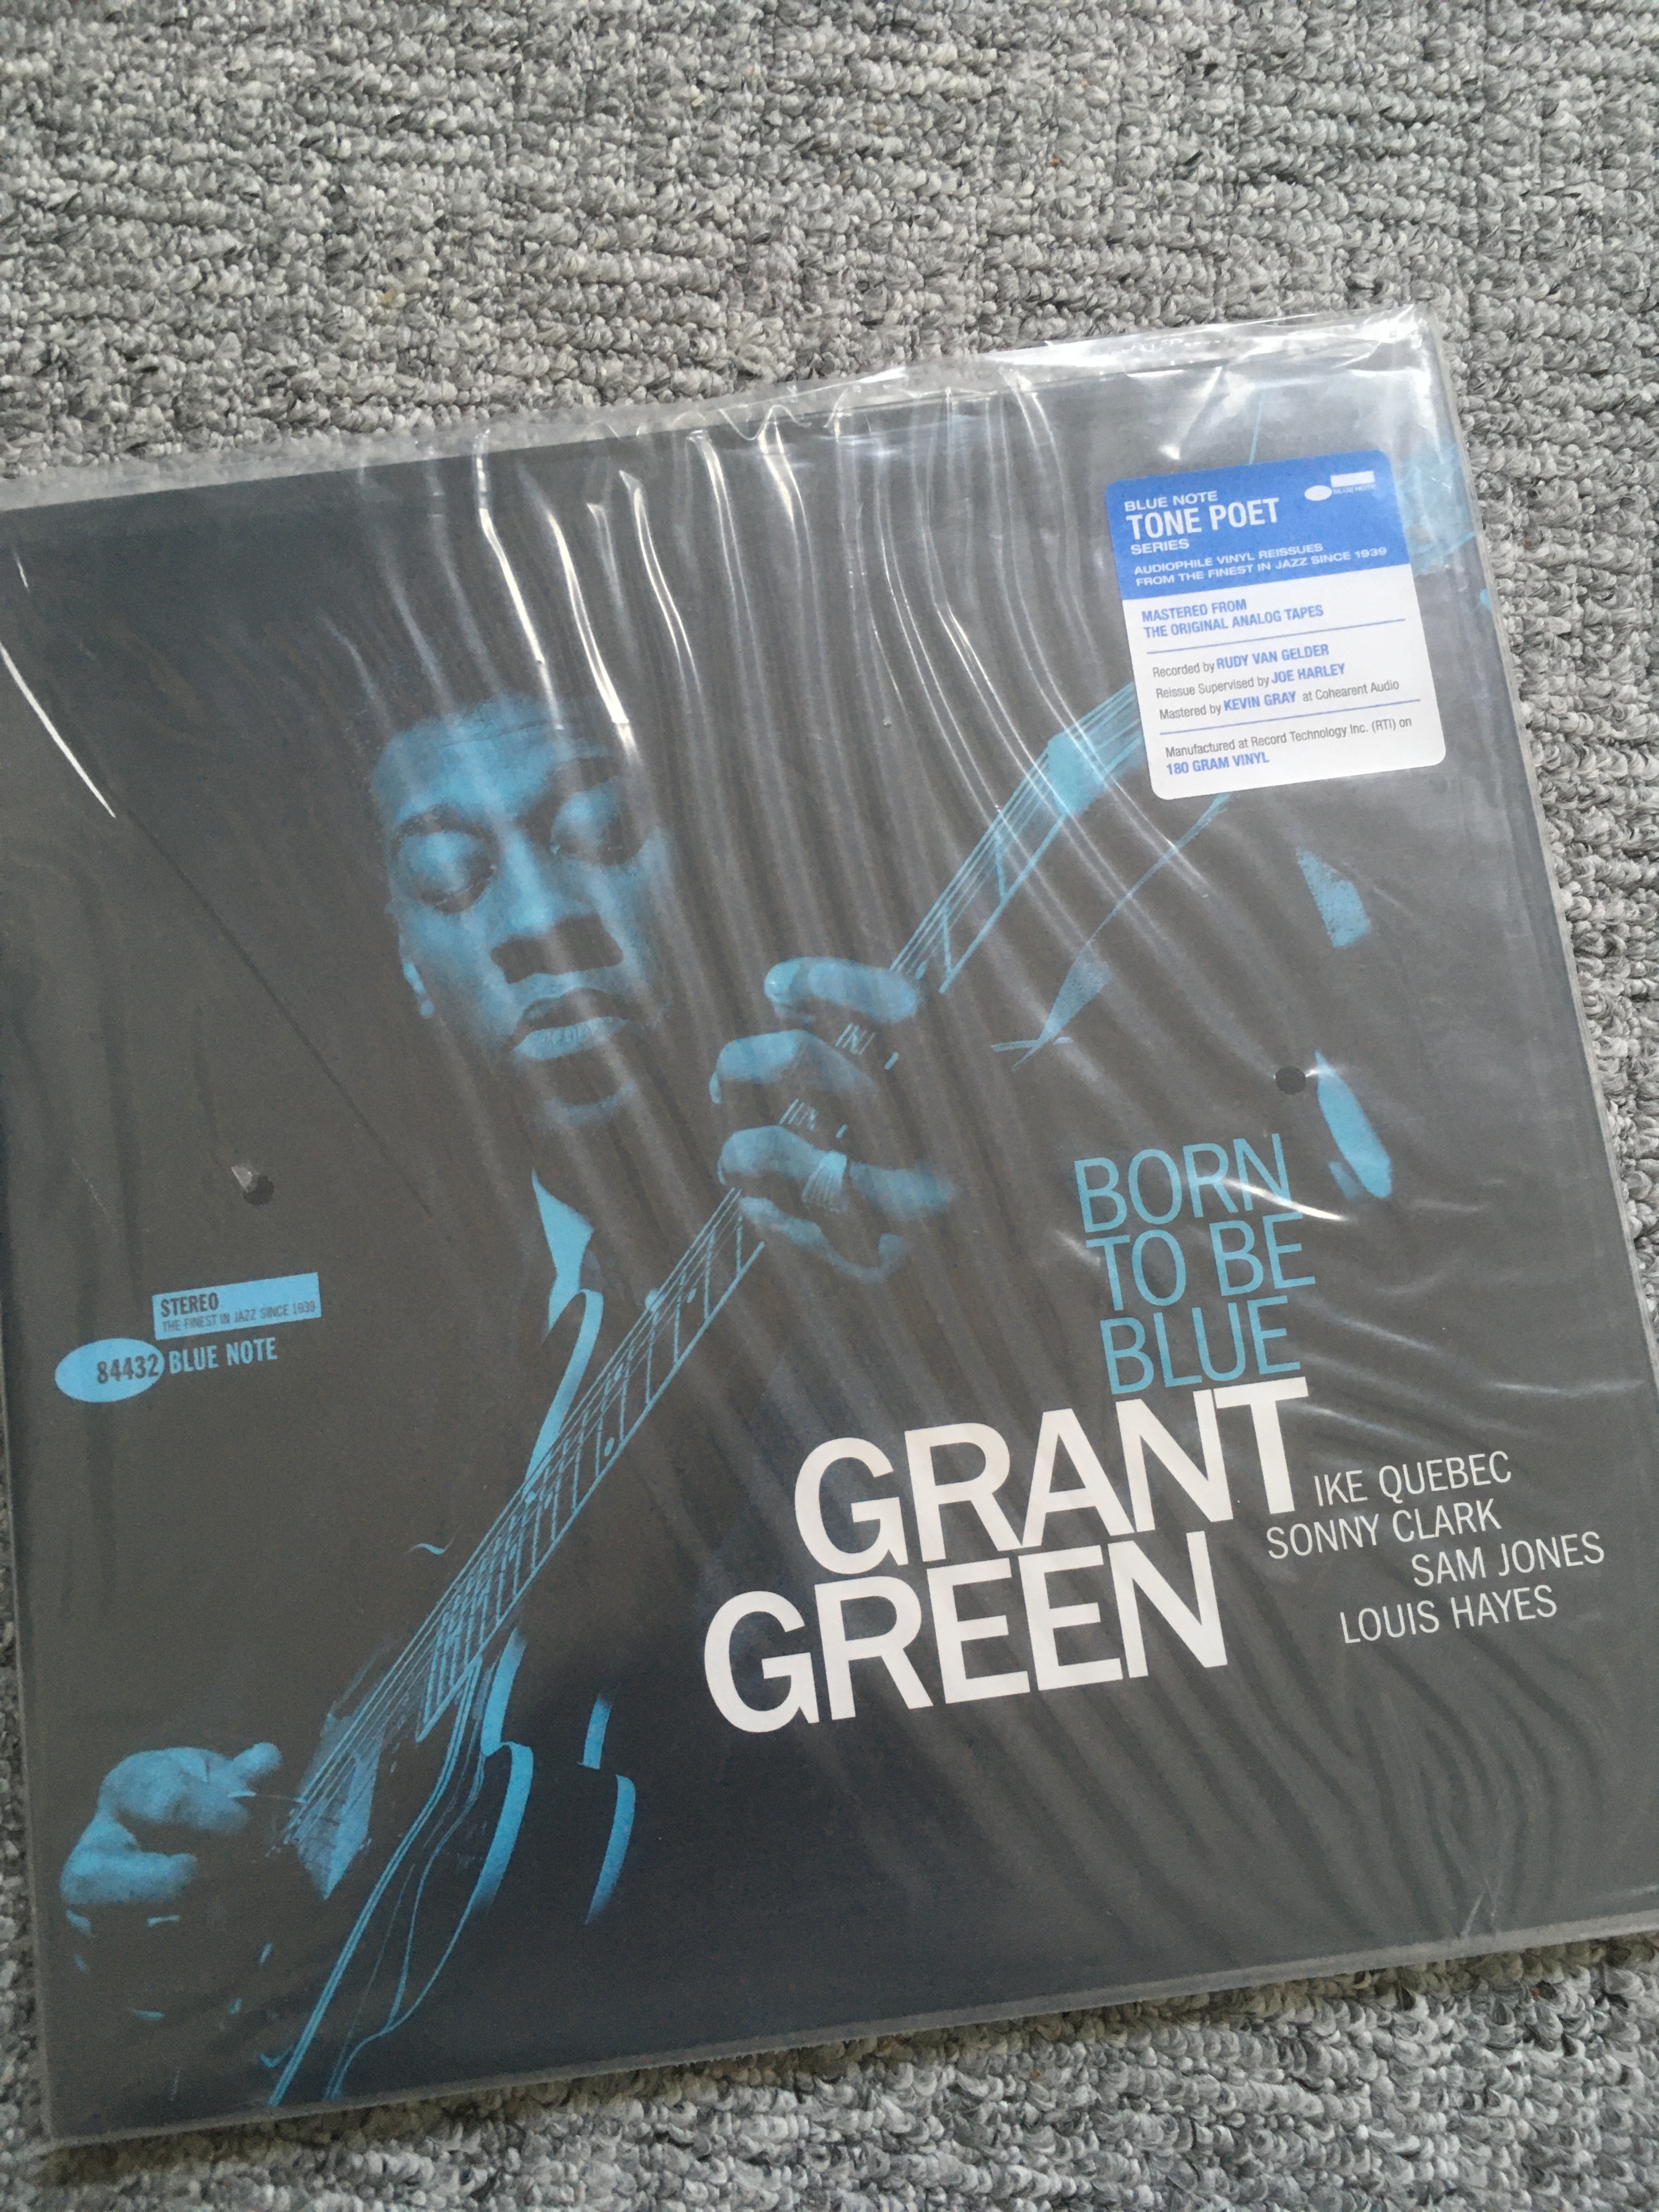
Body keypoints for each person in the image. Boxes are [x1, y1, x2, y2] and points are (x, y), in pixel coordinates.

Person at [57, 681, 960, 2110]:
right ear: (414, 963)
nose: (537, 918)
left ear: (716, 862)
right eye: (451, 879)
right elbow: (205, 1763)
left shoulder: (926, 1218)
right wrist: (133, 1860)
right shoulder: (392, 1394)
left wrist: (967, 1279)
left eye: (595, 835)